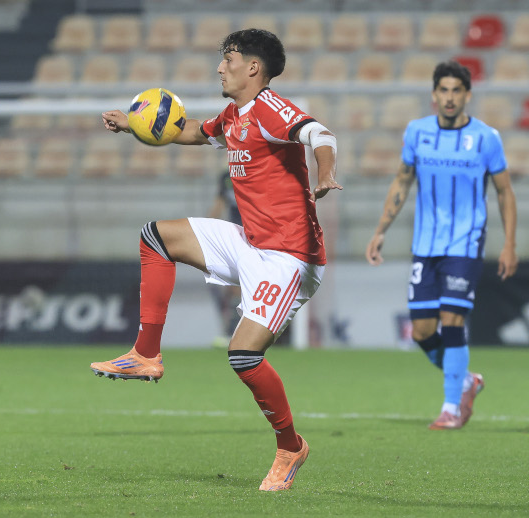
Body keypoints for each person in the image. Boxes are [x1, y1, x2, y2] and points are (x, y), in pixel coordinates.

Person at [90, 28, 342, 491]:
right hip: (250, 241)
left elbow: (319, 133)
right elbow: (191, 131)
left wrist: (325, 172)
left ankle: (290, 446)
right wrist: (135, 125)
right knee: (155, 237)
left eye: (228, 59)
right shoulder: (233, 116)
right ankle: (146, 355)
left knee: (243, 355)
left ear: (253, 67)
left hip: (289, 256)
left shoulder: (269, 108)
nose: (219, 67)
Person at [365, 60, 518, 430]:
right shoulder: (417, 132)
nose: (450, 98)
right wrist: (381, 229)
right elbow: (402, 182)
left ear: (467, 95)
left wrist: (510, 243)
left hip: (465, 243)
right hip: (426, 244)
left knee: (452, 321)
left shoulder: (485, 138)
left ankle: (451, 408)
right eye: (444, 90)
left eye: (457, 91)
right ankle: (466, 380)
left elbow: (504, 192)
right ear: (434, 95)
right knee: (420, 332)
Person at [208, 170, 244, 345]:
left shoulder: (257, 168)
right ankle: (234, 333)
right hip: (235, 235)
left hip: (259, 234)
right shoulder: (226, 177)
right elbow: (219, 204)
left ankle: (239, 333)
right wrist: (207, 229)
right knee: (234, 286)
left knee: (243, 286)